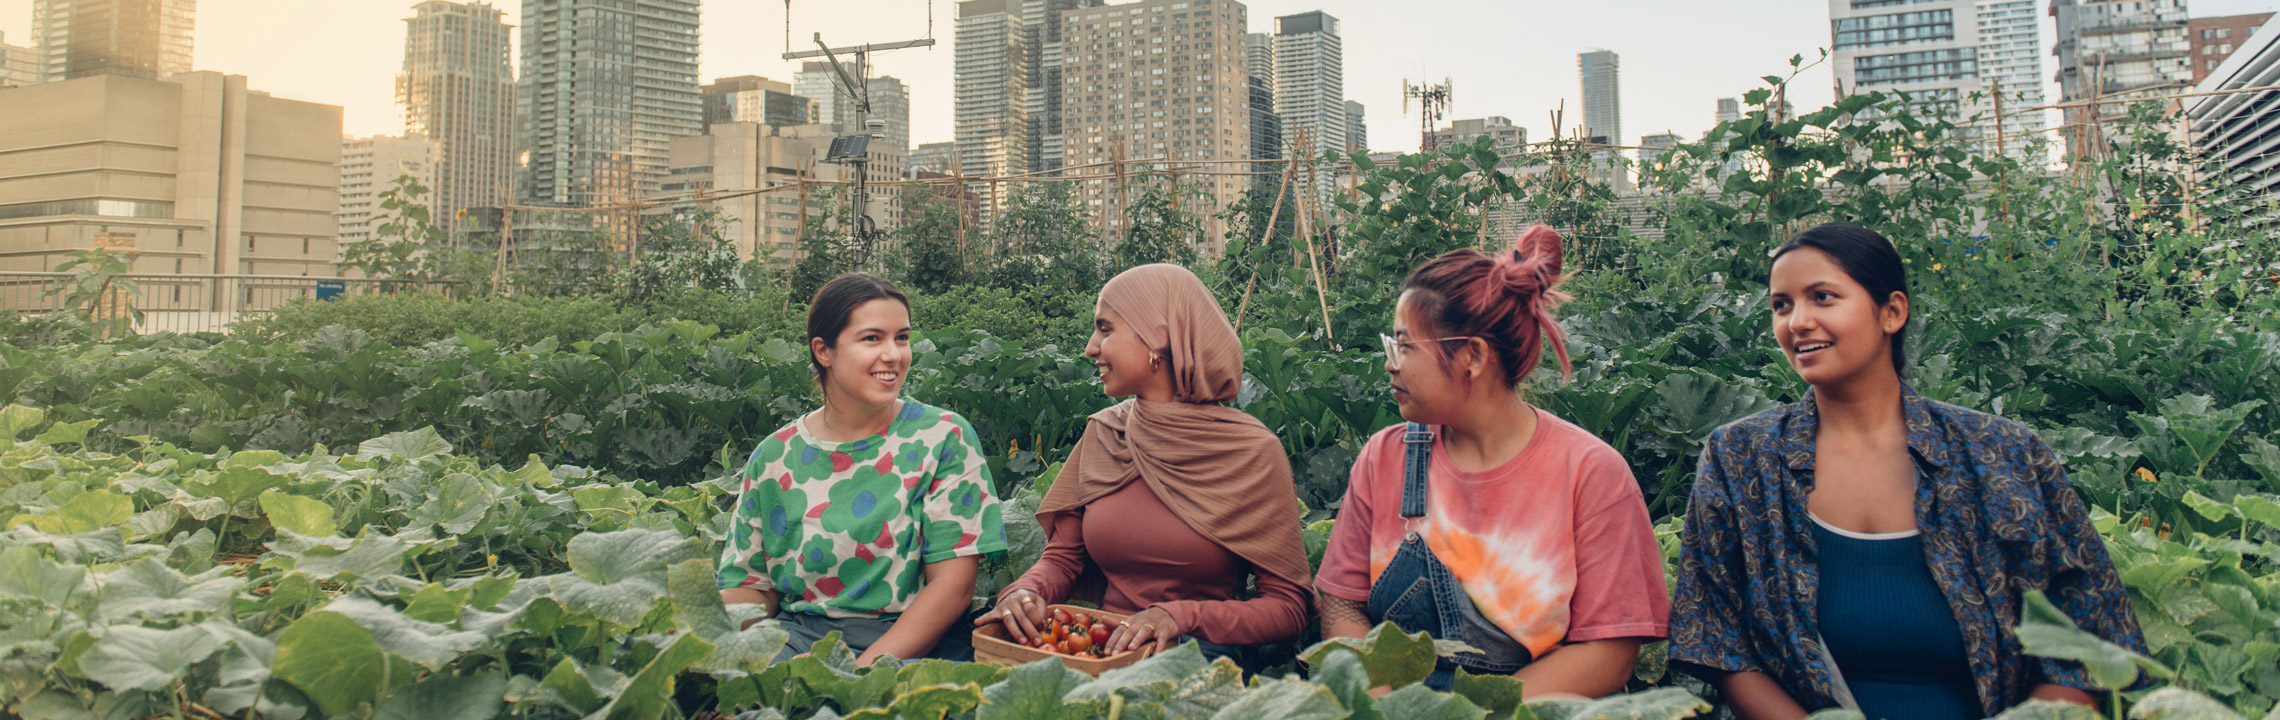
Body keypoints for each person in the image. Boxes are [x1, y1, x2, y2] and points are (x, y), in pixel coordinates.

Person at [1669, 223, 2145, 720]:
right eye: (1781, 305)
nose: (1798, 321)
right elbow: (1720, 643)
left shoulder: (2003, 455)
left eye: (1823, 297)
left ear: (1892, 311)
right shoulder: (1742, 458)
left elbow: (2089, 641)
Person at [1314, 225, 1670, 696]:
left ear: (1473, 357)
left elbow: (1609, 652)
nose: (1390, 364)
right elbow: (1340, 602)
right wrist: (1385, 702)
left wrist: (1476, 713)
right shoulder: (1385, 457)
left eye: (1405, 346)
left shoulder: (1590, 473)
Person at [977, 264, 1312, 664]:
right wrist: (1026, 591)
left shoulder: (1251, 451)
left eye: (1105, 328)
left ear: (1158, 336)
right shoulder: (1105, 432)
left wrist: (1180, 617)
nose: (1090, 347)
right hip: (1094, 651)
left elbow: (1288, 609)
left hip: (1195, 661)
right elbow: (1063, 559)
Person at [718, 273, 1007, 665]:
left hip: (912, 648)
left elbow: (952, 587)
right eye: (872, 338)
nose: (894, 354)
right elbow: (754, 589)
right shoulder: (773, 456)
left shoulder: (943, 438)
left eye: (901, 338)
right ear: (824, 351)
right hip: (797, 642)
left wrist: (860, 675)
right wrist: (698, 628)